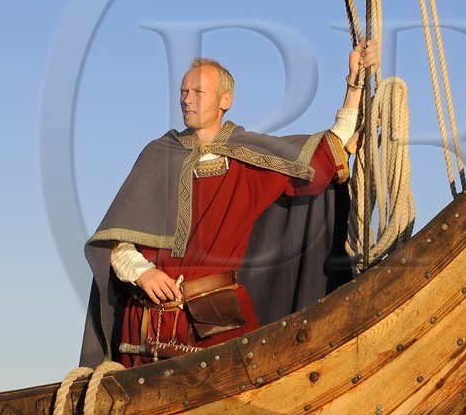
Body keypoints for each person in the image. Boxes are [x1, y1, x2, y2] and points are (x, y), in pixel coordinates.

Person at [80, 42, 376, 367]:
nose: (187, 98)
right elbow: (117, 241)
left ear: (225, 100)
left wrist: (355, 86)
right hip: (146, 325)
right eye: (183, 90)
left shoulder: (248, 157)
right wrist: (143, 274)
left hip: (218, 322)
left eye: (198, 91)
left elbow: (325, 151)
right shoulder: (158, 155)